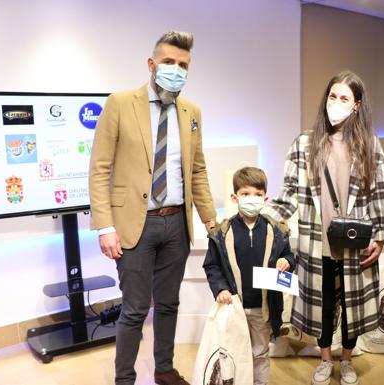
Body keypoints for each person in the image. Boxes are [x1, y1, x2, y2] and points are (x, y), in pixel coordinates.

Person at [89, 31, 217, 385]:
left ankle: (163, 370)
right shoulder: (119, 103)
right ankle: (125, 379)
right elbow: (99, 167)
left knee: (169, 304)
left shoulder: (192, 112)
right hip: (134, 224)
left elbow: (198, 169)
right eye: (169, 62)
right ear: (152, 64)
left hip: (176, 223)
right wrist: (105, 226)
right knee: (133, 309)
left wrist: (211, 221)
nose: (176, 70)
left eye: (183, 65)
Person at [262, 70, 384, 385]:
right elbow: (290, 192)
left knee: (352, 306)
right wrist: (262, 211)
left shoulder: (369, 145)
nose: (336, 103)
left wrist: (381, 237)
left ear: (357, 104)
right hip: (315, 240)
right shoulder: (305, 143)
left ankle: (346, 361)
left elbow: (379, 194)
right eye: (332, 96)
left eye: (344, 98)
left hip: (355, 240)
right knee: (323, 305)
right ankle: (324, 360)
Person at [202, 166, 295, 385]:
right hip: (234, 307)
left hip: (262, 307)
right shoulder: (221, 233)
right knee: (234, 354)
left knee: (260, 354)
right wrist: (221, 288)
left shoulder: (278, 230)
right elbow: (212, 265)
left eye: (257, 194)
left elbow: (289, 256)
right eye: (245, 194)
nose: (251, 199)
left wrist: (287, 262)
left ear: (266, 198)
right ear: (235, 197)